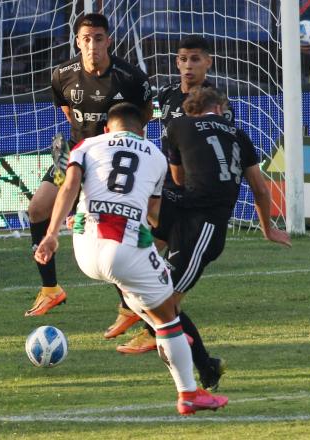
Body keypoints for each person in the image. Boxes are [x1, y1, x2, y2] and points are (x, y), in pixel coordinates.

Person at [34, 102, 228, 415]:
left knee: (144, 300)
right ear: (142, 130)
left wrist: (53, 233)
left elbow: (70, 186)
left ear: (108, 128)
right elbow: (152, 213)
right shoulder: (155, 155)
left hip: (84, 250)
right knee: (169, 316)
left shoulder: (86, 145)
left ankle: (162, 333)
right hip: (124, 247)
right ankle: (188, 392)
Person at [153, 87, 289, 389]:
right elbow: (261, 189)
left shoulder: (178, 125)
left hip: (195, 224)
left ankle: (201, 366)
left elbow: (177, 179)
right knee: (157, 302)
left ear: (190, 110)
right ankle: (202, 364)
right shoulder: (239, 134)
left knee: (161, 303)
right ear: (220, 107)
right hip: (206, 226)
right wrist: (267, 228)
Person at [26, 13, 153, 318]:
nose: (92, 45)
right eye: (86, 39)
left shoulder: (131, 77)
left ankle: (129, 305)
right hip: (74, 151)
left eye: (98, 38)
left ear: (108, 40)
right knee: (37, 209)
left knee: (108, 230)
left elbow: (144, 115)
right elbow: (69, 113)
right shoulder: (62, 75)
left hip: (110, 158)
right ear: (77, 42)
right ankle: (50, 290)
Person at [116, 35, 232, 354]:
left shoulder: (216, 103)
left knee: (161, 262)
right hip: (168, 188)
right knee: (136, 251)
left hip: (193, 198)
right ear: (177, 62)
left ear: (208, 62)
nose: (188, 65)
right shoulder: (166, 96)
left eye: (196, 59)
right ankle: (140, 315)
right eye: (183, 59)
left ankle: (154, 326)